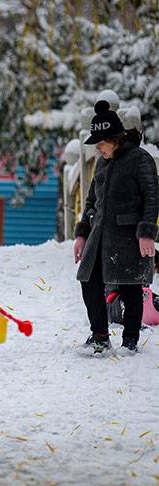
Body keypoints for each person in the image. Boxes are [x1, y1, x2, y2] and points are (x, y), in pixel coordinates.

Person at [73, 100, 158, 354]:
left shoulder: (140, 160)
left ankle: (130, 342)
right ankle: (99, 336)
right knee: (89, 280)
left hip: (129, 236)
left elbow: (152, 197)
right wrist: (81, 234)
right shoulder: (103, 163)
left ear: (115, 138)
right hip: (99, 235)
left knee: (129, 287)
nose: (98, 148)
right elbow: (91, 201)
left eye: (101, 143)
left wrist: (146, 233)